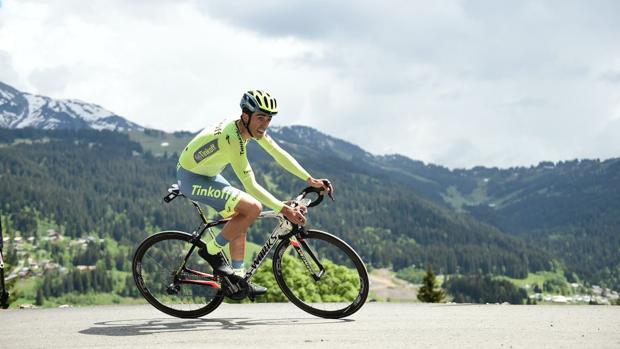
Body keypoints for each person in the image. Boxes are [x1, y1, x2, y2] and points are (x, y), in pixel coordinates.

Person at [176, 90, 333, 296]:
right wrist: (283, 208)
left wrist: (309, 179)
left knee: (241, 217)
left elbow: (278, 153)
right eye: (260, 117)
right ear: (246, 115)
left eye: (268, 119)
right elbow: (250, 184)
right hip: (192, 178)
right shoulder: (231, 136)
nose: (265, 124)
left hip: (209, 175)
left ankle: (237, 280)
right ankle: (211, 251)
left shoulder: (249, 128)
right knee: (253, 207)